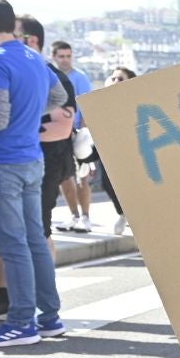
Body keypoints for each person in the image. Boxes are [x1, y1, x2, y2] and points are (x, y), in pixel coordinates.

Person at [0, 0, 67, 347]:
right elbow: (58, 97)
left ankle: (21, 322)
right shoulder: (33, 57)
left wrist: (17, 115)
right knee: (35, 240)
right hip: (31, 159)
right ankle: (49, 317)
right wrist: (29, 114)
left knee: (13, 244)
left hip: (3, 161)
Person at [17, 18, 77, 250]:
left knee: (40, 231)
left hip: (46, 164)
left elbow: (62, 127)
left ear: (31, 41)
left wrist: (16, 132)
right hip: (24, 163)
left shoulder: (53, 78)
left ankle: (45, 287)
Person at [50, 41, 94, 233]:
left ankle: (85, 217)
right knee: (65, 178)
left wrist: (83, 135)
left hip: (78, 135)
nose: (66, 60)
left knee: (82, 178)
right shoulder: (50, 76)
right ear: (54, 57)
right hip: (60, 135)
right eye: (62, 56)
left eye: (68, 56)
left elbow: (88, 107)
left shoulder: (80, 78)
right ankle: (74, 215)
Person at [95, 67, 134, 234]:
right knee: (107, 182)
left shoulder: (133, 102)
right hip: (107, 151)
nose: (116, 82)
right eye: (114, 78)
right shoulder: (100, 103)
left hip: (129, 152)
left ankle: (133, 216)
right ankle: (123, 213)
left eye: (121, 79)